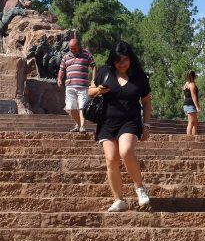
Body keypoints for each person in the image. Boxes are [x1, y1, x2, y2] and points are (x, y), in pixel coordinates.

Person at [88, 41, 153, 212]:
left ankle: (139, 188)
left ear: (130, 58)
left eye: (124, 60)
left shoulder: (139, 76)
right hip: (107, 122)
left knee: (125, 151)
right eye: (117, 61)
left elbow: (146, 102)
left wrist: (146, 124)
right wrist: (98, 91)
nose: (121, 64)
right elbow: (90, 91)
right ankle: (119, 200)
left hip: (130, 121)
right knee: (111, 159)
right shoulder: (105, 72)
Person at [57, 38, 96, 133]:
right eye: (70, 48)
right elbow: (62, 69)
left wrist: (93, 80)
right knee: (70, 107)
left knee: (82, 107)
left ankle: (82, 126)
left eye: (74, 48)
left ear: (78, 46)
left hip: (82, 86)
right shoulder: (66, 56)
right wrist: (59, 78)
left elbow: (94, 66)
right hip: (70, 86)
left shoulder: (86, 54)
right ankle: (78, 124)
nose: (72, 50)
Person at [183, 70, 201, 135]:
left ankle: (194, 138)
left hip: (187, 104)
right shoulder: (192, 85)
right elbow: (193, 96)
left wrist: (185, 107)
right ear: (194, 76)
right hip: (191, 105)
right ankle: (189, 139)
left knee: (194, 123)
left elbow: (184, 96)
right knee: (191, 123)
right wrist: (197, 107)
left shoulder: (186, 84)